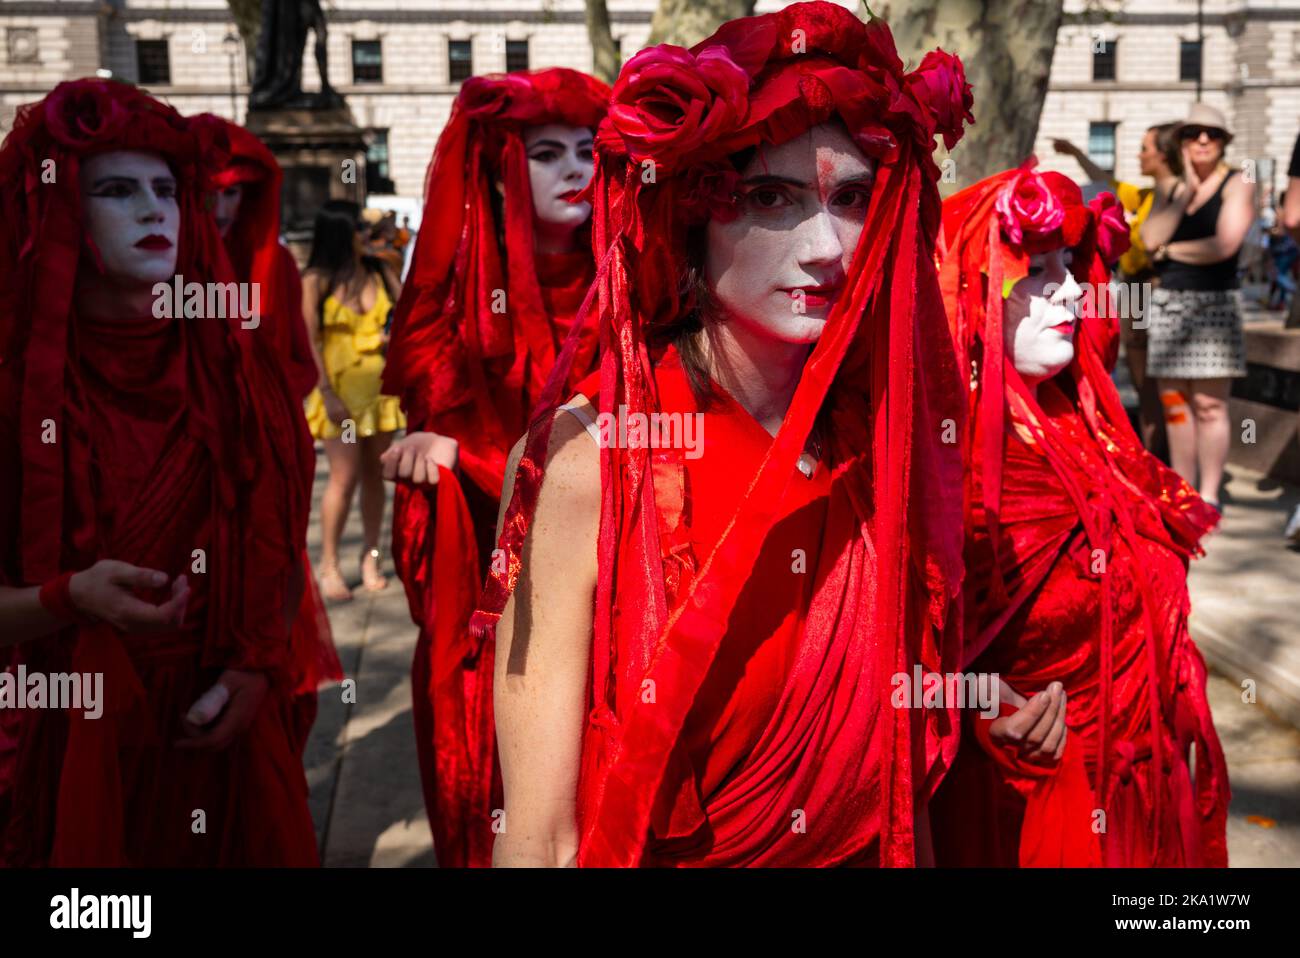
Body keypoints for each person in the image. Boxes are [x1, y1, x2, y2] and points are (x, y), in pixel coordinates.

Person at [476, 1, 973, 867]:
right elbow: (542, 835)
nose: (825, 246)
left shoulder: (885, 451)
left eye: (852, 199)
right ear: (694, 214)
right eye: (771, 198)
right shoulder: (587, 463)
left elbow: (898, 796)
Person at [0, 79, 318, 865]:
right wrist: (65, 598)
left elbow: (276, 547)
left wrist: (255, 667)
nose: (155, 211)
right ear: (58, 210)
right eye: (115, 190)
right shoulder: (14, 389)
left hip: (219, 735)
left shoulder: (241, 372)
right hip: (66, 733)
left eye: (167, 190)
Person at [930, 161, 1229, 867]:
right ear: (972, 291)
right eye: (1036, 269)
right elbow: (902, 649)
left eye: (1069, 264)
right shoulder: (946, 465)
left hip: (1139, 796)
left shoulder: (1087, 424)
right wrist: (977, 706)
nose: (1069, 288)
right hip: (1027, 813)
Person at [377, 67, 609, 867]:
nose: (578, 168)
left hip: (605, 598)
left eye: (588, 147)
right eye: (547, 153)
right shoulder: (450, 308)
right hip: (489, 611)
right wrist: (444, 449)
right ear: (497, 172)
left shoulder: (635, 287)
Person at [203, 115, 343, 753]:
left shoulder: (276, 264)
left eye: (235, 192)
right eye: (211, 190)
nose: (222, 206)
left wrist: (253, 397)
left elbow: (298, 364)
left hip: (262, 465)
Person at [1140, 104, 1256, 514]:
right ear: (1182, 142)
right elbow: (1147, 238)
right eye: (1193, 134)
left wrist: (1169, 250)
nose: (1203, 140)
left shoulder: (1240, 180)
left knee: (1209, 405)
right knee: (1175, 405)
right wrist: (1186, 191)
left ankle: (1209, 496)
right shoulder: (1171, 187)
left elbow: (1224, 246)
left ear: (1224, 141)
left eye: (1212, 133)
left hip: (1215, 305)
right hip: (1171, 302)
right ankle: (1183, 491)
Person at [1055, 126, 1181, 457]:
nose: (1139, 155)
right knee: (1143, 381)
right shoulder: (1142, 196)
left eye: (1144, 148)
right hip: (1136, 290)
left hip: (1164, 289)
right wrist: (1076, 152)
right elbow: (1103, 182)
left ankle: (1169, 454)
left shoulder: (1181, 196)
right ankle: (1152, 453)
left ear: (1164, 154)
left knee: (1167, 382)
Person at [303, 199, 405, 601]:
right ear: (338, 233)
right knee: (342, 480)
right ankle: (329, 564)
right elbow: (309, 338)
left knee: (375, 478)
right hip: (339, 394)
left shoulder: (380, 270)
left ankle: (371, 555)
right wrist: (325, 392)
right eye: (358, 229)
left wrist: (393, 337)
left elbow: (411, 311)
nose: (366, 235)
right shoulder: (315, 279)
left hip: (380, 392)